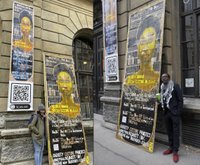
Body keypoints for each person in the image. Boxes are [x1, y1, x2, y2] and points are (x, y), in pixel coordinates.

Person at [48, 63, 89, 165]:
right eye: (61, 81)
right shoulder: (53, 110)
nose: (65, 86)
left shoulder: (78, 108)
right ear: (57, 84)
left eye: (67, 81)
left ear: (72, 82)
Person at [125, 16, 160, 92]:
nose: (145, 48)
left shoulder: (158, 78)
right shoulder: (129, 81)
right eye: (143, 42)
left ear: (156, 43)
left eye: (150, 41)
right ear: (138, 45)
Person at [160, 73, 183, 163]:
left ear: (169, 78)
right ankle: (170, 147)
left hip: (174, 113)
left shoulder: (175, 85)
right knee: (169, 131)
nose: (164, 78)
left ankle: (175, 152)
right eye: (162, 77)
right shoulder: (162, 87)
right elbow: (163, 98)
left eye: (165, 77)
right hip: (166, 113)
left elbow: (180, 100)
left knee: (176, 132)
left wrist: (178, 112)